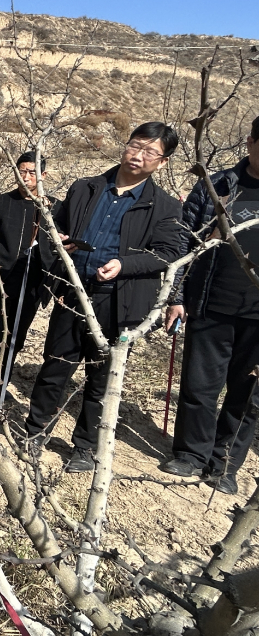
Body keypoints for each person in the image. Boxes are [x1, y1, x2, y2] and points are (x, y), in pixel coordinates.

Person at [25, 122, 184, 473]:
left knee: (101, 379)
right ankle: (34, 433)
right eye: (135, 145)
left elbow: (168, 253)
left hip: (119, 302)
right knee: (55, 367)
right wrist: (60, 240)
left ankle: (84, 447)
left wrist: (124, 264)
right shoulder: (86, 187)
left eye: (150, 152)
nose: (138, 155)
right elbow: (56, 226)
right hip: (73, 292)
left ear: (163, 162)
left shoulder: (164, 206)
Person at [162, 116, 259, 495]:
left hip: (257, 317)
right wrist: (177, 297)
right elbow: (184, 242)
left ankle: (224, 464)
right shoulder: (218, 186)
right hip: (210, 303)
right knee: (200, 386)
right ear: (250, 142)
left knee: (246, 394)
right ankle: (191, 453)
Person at [0, 152, 54, 391]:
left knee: (16, 336)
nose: (25, 177)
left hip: (33, 283)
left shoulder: (54, 208)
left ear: (43, 175)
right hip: (1, 278)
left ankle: (0, 385)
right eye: (21, 171)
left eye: (31, 172)